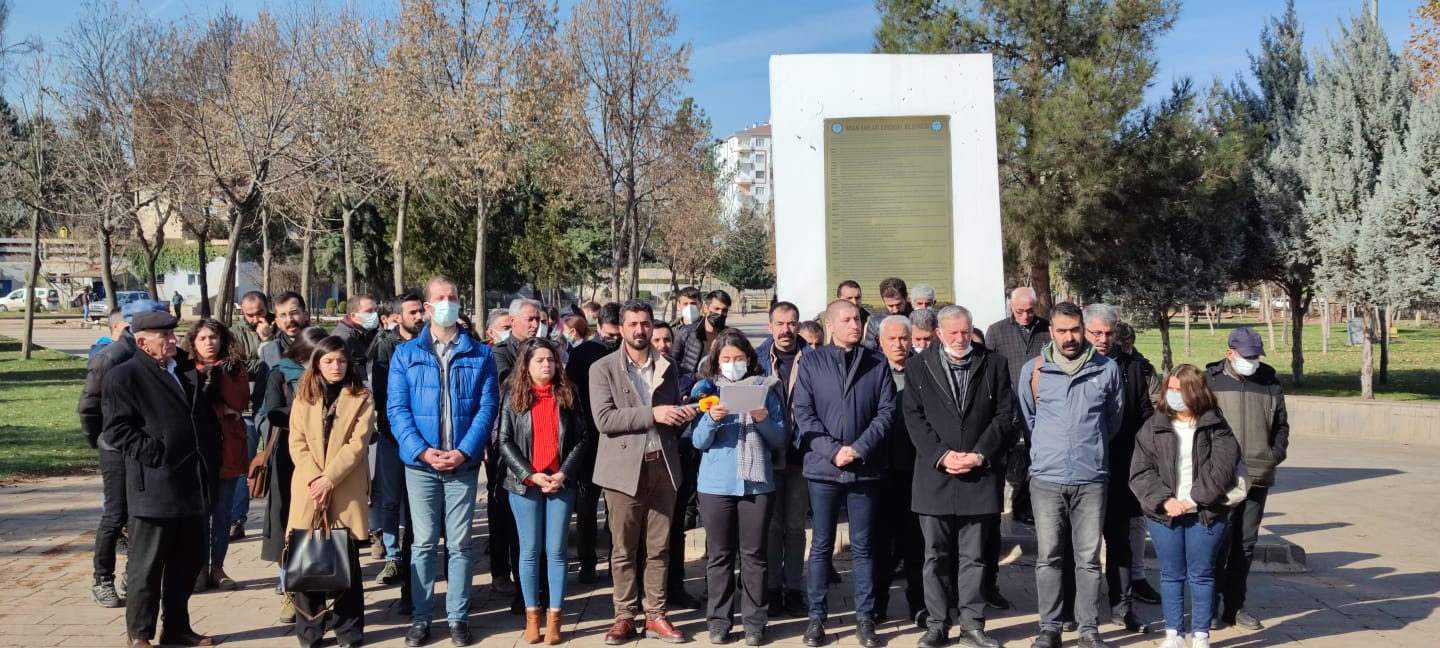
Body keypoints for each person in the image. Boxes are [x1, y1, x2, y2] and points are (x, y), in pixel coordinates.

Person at [388, 276, 500, 647]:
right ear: (427, 306)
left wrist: (464, 451)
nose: (448, 302)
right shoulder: (406, 354)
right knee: (421, 544)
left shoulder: (480, 353)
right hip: (420, 466)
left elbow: (487, 408)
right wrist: (422, 450)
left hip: (462, 465)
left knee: (460, 544)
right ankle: (421, 618)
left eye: (453, 297)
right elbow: (397, 410)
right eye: (440, 298)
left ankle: (458, 617)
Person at [101, 311, 221, 648]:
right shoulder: (124, 376)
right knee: (146, 568)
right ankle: (140, 634)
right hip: (155, 486)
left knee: (186, 564)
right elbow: (117, 429)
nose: (171, 339)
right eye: (163, 335)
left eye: (172, 333)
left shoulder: (184, 369)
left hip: (193, 483)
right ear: (141, 341)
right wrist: (157, 454)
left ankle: (177, 628)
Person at [589, 300, 697, 645]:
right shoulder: (602, 368)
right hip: (623, 470)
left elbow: (669, 416)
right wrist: (655, 413)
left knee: (659, 547)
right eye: (633, 324)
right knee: (622, 549)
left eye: (646, 324)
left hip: (662, 466)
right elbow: (604, 420)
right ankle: (623, 616)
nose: (640, 330)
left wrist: (682, 414)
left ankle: (656, 615)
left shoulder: (669, 365)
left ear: (653, 327)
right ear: (621, 328)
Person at [903, 306, 1011, 648]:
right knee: (934, 556)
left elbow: (1005, 415)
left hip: (978, 474)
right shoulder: (918, 366)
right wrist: (942, 456)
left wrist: (979, 454)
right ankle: (937, 624)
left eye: (965, 332)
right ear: (939, 333)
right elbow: (913, 417)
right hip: (935, 475)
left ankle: (973, 625)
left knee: (975, 557)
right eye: (953, 333)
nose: (961, 339)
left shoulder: (994, 363)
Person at [1016, 301, 1123, 648]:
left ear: (1083, 329)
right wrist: (1052, 449)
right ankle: (1050, 627)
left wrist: (1088, 449)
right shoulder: (1034, 371)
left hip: (1091, 478)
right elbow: (1029, 420)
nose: (1069, 337)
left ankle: (1088, 629)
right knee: (1048, 557)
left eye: (1074, 330)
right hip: (1046, 479)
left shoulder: (1106, 369)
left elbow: (1113, 420)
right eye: (1061, 331)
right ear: (1051, 332)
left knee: (1089, 559)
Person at [793, 299, 897, 648]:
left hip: (865, 468)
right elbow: (804, 414)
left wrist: (859, 448)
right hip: (823, 470)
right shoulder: (811, 362)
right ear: (831, 325)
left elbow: (886, 412)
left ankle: (865, 619)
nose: (856, 324)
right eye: (848, 319)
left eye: (858, 319)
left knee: (864, 547)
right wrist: (833, 450)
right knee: (821, 545)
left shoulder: (876, 362)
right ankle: (817, 618)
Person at [1130, 365, 1243, 648]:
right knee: (1171, 574)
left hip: (1205, 514)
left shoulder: (1217, 427)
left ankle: (1201, 635)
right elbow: (1140, 471)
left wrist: (1191, 500)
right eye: (1171, 388)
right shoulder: (1152, 426)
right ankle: (1174, 634)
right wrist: (1165, 501)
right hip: (1164, 514)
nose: (1173, 394)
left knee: (1202, 574)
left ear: (1196, 391)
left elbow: (1222, 471)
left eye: (1180, 389)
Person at [497, 337, 596, 645]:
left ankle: (555, 616)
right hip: (525, 485)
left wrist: (564, 472)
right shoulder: (513, 395)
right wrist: (529, 474)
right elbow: (504, 441)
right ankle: (532, 616)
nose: (547, 365)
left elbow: (582, 437)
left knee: (555, 550)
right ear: (526, 365)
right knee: (529, 551)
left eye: (551, 360)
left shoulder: (567, 393)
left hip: (560, 483)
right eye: (539, 360)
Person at [692, 328, 787, 646]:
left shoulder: (766, 389)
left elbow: (778, 440)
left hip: (756, 485)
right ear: (717, 362)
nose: (733, 364)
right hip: (716, 486)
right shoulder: (708, 391)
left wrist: (762, 420)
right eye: (727, 359)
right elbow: (698, 441)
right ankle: (719, 622)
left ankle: (755, 623)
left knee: (754, 556)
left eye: (739, 358)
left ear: (749, 359)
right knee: (719, 556)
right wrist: (711, 418)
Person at [285, 335, 374, 648]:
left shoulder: (361, 396)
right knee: (308, 559)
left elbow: (357, 444)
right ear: (317, 364)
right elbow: (297, 442)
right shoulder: (303, 396)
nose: (336, 367)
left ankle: (349, 631)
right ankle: (310, 631)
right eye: (328, 361)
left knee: (345, 561)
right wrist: (315, 480)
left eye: (341, 360)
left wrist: (329, 479)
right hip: (309, 489)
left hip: (344, 486)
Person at [79, 299, 168, 609]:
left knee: (139, 514)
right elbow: (88, 406)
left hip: (146, 448)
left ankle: (135, 574)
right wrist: (101, 441)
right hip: (117, 448)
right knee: (115, 515)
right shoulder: (111, 357)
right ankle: (102, 578)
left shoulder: (160, 356)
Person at [1082, 304, 1158, 635]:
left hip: (1122, 464)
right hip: (1082, 466)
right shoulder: (1072, 364)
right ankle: (1078, 608)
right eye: (1095, 333)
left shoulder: (1133, 367)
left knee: (1120, 541)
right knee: (1080, 544)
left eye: (1108, 333)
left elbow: (1144, 413)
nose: (1102, 339)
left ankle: (1122, 606)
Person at [1207, 327, 1289, 631]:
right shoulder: (1210, 381)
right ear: (1231, 353)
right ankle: (1209, 605)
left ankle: (1235, 607)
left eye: (1257, 355)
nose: (1253, 360)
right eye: (1247, 355)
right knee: (1216, 544)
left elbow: (1281, 425)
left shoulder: (1269, 382)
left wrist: (1274, 454)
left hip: (1257, 475)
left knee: (1245, 545)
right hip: (1220, 479)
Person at [260, 327, 330, 624]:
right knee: (287, 523)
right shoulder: (280, 372)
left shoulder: (332, 373)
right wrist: (305, 416)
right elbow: (269, 412)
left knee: (322, 524)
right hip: (290, 457)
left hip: (326, 458)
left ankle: (322, 590)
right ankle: (291, 591)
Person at [670, 289, 733, 605]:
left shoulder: (730, 337)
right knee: (682, 508)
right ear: (706, 307)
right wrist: (690, 392)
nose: (718, 313)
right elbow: (676, 369)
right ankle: (676, 584)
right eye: (715, 307)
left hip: (717, 422)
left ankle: (715, 582)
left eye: (724, 309)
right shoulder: (684, 335)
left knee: (715, 513)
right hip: (687, 423)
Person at [186, 319, 250, 594]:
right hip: (197, 450)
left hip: (229, 448)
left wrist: (219, 379)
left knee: (222, 514)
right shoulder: (185, 369)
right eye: (202, 338)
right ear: (193, 342)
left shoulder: (234, 368)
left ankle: (218, 567)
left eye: (213, 337)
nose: (209, 342)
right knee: (200, 514)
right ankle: (198, 568)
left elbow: (239, 402)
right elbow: (190, 407)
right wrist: (219, 409)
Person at [755, 302, 809, 619]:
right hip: (767, 454)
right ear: (770, 326)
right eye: (780, 323)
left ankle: (794, 588)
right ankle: (773, 589)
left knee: (795, 527)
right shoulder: (758, 359)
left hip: (802, 456)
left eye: (791, 323)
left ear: (798, 326)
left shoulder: (815, 359)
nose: (786, 329)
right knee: (772, 528)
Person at [871, 315, 924, 627]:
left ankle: (918, 604)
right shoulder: (872, 372)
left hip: (916, 471)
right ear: (881, 342)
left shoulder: (923, 370)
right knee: (880, 546)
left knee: (915, 544)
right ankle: (878, 604)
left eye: (904, 338)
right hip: (879, 471)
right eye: (891, 339)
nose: (899, 344)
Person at [370, 293, 425, 593]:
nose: (418, 316)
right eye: (412, 312)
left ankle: (421, 554)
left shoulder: (428, 341)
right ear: (396, 316)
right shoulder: (385, 345)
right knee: (391, 499)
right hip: (393, 435)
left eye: (420, 311)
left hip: (425, 435)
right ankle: (393, 554)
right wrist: (398, 431)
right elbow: (383, 396)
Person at [492, 299, 544, 609]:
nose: (535, 323)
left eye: (538, 318)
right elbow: (506, 388)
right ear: (513, 322)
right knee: (507, 517)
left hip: (544, 443)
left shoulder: (547, 349)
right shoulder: (500, 353)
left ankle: (537, 585)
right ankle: (504, 575)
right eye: (529, 319)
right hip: (510, 445)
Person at [566, 302, 623, 584]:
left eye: (617, 336)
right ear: (598, 328)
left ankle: (618, 562)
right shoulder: (582, 354)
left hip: (619, 440)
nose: (614, 341)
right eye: (609, 335)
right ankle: (587, 561)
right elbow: (570, 398)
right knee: (586, 506)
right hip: (588, 441)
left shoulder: (629, 354)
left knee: (618, 508)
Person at [985, 287, 1051, 527]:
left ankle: (1026, 506)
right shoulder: (997, 330)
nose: (1025, 316)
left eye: (1030, 311)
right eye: (1019, 311)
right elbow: (989, 367)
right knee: (1003, 455)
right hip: (1008, 404)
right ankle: (998, 505)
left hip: (1041, 406)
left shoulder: (1047, 330)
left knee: (1035, 458)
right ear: (1011, 308)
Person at [231, 291, 274, 540]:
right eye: (249, 315)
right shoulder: (235, 334)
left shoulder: (277, 327)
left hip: (271, 407)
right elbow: (237, 367)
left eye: (259, 313)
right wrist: (265, 350)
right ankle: (236, 520)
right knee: (241, 467)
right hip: (244, 409)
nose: (255, 319)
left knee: (276, 463)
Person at [330, 294, 381, 379]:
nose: (375, 314)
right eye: (369, 311)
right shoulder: (342, 339)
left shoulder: (370, 333)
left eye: (376, 310)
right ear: (354, 316)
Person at [863, 277, 912, 349]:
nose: (895, 310)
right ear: (884, 301)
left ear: (906, 297)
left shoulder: (916, 318)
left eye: (898, 304)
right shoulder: (875, 323)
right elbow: (870, 352)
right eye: (890, 306)